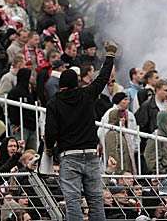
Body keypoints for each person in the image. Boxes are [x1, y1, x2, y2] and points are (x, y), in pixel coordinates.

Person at [44, 42, 117, 220]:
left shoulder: (54, 102)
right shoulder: (86, 94)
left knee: (73, 200)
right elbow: (102, 79)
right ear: (76, 82)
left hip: (69, 156)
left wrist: (48, 148)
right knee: (96, 200)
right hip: (91, 155)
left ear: (61, 83)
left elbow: (51, 130)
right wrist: (110, 55)